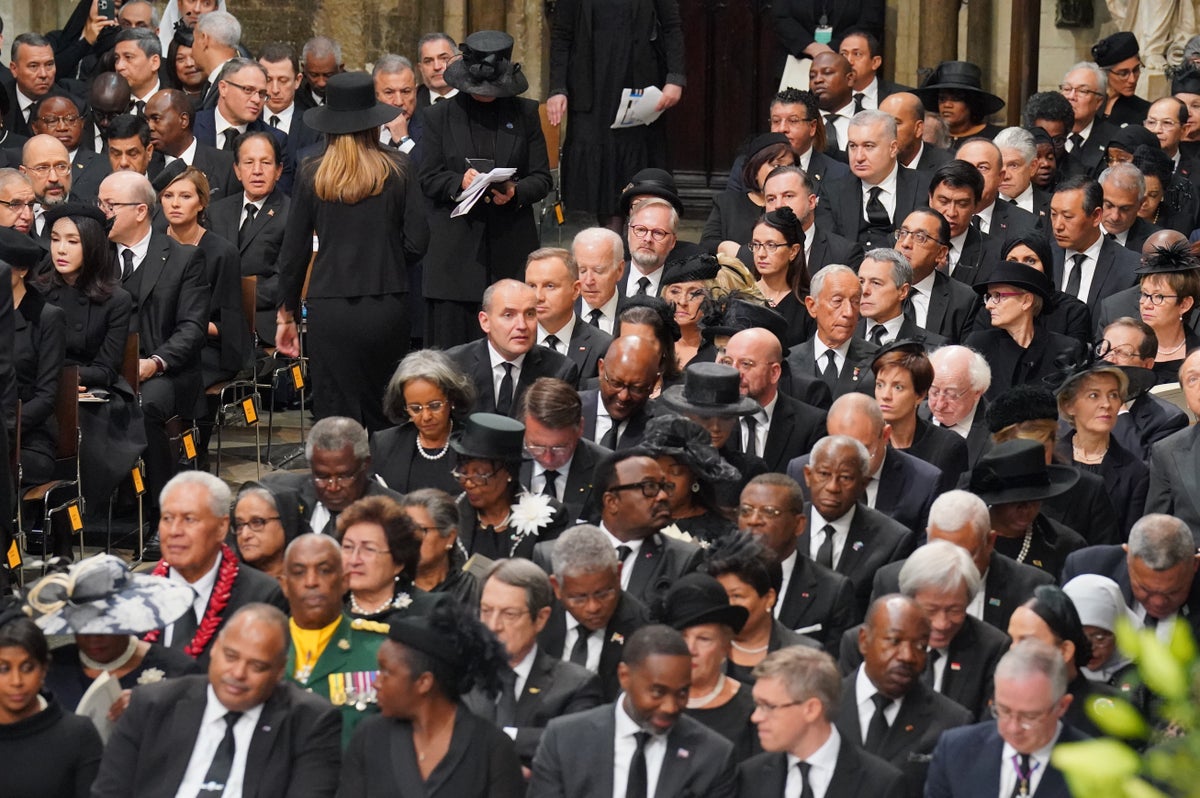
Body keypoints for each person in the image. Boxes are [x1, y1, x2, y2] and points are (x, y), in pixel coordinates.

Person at [275, 71, 428, 430]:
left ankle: (339, 482)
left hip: (330, 306)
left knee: (335, 412)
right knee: (386, 408)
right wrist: (389, 259)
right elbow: (419, 240)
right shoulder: (399, 167)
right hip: (387, 303)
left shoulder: (312, 172)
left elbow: (294, 251)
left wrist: (286, 313)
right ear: (373, 121)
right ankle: (384, 482)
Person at [92, 605, 343, 798]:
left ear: (279, 671)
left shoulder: (309, 722)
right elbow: (110, 792)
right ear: (215, 649)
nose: (238, 673)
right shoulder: (153, 705)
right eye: (231, 656)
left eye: (257, 665)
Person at [419, 31, 551, 348]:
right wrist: (459, 182)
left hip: (509, 249)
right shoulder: (439, 116)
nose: (485, 95)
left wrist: (515, 192)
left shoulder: (526, 114)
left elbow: (542, 178)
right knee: (453, 361)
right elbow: (428, 177)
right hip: (454, 259)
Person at [99, 169, 207, 535]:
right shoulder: (97, 256)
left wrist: (156, 362)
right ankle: (90, 510)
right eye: (100, 203)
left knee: (145, 407)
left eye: (110, 205)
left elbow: (191, 329)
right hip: (105, 369)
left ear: (141, 211)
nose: (102, 213)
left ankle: (162, 513)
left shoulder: (183, 259)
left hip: (165, 371)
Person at [528, 625, 738, 798]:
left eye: (682, 693)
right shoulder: (565, 739)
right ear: (624, 676)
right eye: (657, 692)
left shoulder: (713, 755)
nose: (671, 707)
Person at [339, 600, 523, 797]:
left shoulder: (491, 749)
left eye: (387, 672)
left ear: (424, 682)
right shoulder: (370, 736)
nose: (376, 683)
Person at [546, 0, 685, 226]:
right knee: (602, 184)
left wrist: (675, 78)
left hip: (638, 86)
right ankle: (612, 249)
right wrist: (557, 89)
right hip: (591, 91)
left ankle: (634, 245)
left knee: (636, 175)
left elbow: (671, 26)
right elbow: (562, 35)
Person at [463, 558, 603, 768]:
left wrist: (499, 738)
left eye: (509, 614)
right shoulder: (459, 675)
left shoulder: (575, 685)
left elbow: (575, 747)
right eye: (486, 611)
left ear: (540, 619)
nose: (493, 626)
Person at [141, 472, 288, 665]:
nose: (175, 531)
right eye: (167, 518)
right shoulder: (136, 589)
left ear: (221, 527)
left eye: (189, 519)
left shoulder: (261, 595)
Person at [835, 595, 972, 798]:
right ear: (864, 640)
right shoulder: (819, 707)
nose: (907, 656)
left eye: (920, 646)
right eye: (894, 641)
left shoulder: (952, 723)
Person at [30, 555, 200, 714]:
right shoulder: (49, 669)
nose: (93, 637)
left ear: (126, 620)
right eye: (84, 625)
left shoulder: (177, 671)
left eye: (105, 627)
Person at [924, 639, 1088, 798]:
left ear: (1062, 706)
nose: (1013, 728)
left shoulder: (1097, 768)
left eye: (1029, 716)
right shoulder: (956, 750)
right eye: (1003, 710)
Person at [737, 645, 904, 797]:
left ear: (811, 709)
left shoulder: (881, 784)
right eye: (757, 705)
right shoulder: (750, 776)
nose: (756, 717)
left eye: (769, 706)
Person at [281, 534, 389, 747]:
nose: (311, 582)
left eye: (324, 570)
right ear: (284, 585)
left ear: (344, 581)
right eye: (299, 572)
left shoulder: (379, 651)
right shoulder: (264, 648)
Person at [158, 163, 251, 393]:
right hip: (158, 341)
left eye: (185, 196)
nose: (175, 203)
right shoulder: (153, 246)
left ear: (201, 203)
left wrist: (186, 326)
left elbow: (228, 324)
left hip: (206, 347)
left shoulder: (222, 252)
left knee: (173, 380)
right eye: (168, 196)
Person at [738, 474, 856, 652]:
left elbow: (836, 669)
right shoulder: (714, 578)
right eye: (746, 510)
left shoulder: (833, 591)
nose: (753, 520)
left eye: (769, 511)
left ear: (799, 524)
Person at [535, 523, 651, 700]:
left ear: (618, 575)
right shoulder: (535, 615)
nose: (593, 607)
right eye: (579, 598)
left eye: (604, 593)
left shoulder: (642, 628)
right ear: (557, 587)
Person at [800, 435, 915, 610]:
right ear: (808, 475)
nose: (833, 487)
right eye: (824, 474)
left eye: (845, 478)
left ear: (863, 484)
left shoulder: (893, 541)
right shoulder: (782, 523)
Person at [654, 572, 758, 761]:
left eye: (704, 639)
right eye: (681, 637)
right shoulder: (644, 699)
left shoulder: (753, 708)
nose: (691, 649)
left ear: (725, 646)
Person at [0, 607, 103, 798]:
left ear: (44, 669)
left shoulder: (78, 735)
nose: (16, 681)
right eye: (4, 669)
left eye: (27, 667)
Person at [446, 279, 580, 419]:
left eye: (529, 314)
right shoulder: (454, 365)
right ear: (485, 322)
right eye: (508, 315)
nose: (522, 325)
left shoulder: (559, 371)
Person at [205, 129, 289, 346]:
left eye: (266, 163)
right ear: (237, 170)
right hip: (215, 322)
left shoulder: (293, 213)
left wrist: (236, 299)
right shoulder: (216, 212)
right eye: (249, 162)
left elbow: (286, 279)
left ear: (279, 170)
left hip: (264, 325)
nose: (257, 171)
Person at [452, 412, 569, 561]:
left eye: (480, 475)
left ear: (508, 473)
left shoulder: (548, 515)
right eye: (462, 473)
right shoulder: (449, 514)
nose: (468, 483)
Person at [1008, 585, 1120, 739]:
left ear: (1065, 650)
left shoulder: (1111, 710)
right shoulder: (1004, 702)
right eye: (1012, 640)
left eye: (1027, 642)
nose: (1014, 651)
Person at [704, 533, 820, 682]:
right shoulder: (697, 648)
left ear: (769, 598)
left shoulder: (805, 658)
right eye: (719, 595)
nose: (727, 605)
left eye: (737, 596)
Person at [1062, 513, 1200, 638]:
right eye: (1145, 589)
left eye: (1173, 592)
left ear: (1195, 564)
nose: (1158, 602)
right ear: (1128, 557)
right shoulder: (1086, 569)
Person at [964, 260, 1085, 400]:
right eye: (989, 297)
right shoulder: (979, 344)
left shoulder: (1066, 349)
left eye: (997, 296)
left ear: (1026, 301)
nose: (989, 305)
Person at [1054, 362, 1149, 540]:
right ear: (1069, 406)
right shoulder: (1050, 459)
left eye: (1113, 395)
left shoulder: (1135, 471)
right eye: (1093, 395)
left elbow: (1131, 540)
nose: (1106, 404)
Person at [969, 439, 1086, 579]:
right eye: (1017, 502)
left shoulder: (1065, 545)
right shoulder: (966, 538)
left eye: (1034, 500)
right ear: (996, 501)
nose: (1027, 509)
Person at [721, 326, 827, 473]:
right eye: (727, 362)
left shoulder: (810, 425)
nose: (734, 373)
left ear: (774, 372)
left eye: (746, 364)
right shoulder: (712, 420)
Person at [370, 349, 475, 495]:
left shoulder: (474, 444)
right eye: (416, 408)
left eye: (434, 406)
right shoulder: (385, 444)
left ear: (452, 399)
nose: (426, 416)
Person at [9, 222, 64, 494]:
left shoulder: (46, 317)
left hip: (28, 435)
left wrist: (7, 426)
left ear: (20, 270)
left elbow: (45, 396)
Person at [871, 340, 968, 491]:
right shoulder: (867, 441)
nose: (885, 395)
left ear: (920, 395)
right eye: (880, 385)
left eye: (898, 387)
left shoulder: (947, 447)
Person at [518, 377, 611, 522]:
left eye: (559, 447)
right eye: (537, 446)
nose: (548, 458)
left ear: (580, 428)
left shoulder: (607, 471)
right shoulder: (504, 461)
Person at [640, 414, 739, 545]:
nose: (665, 481)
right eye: (657, 471)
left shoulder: (723, 532)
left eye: (676, 472)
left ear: (694, 476)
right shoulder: (635, 523)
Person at [1101, 317, 1189, 460]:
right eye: (1104, 350)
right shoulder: (1077, 402)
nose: (1109, 359)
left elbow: (1145, 473)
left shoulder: (1168, 420)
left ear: (1147, 364)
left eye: (1122, 353)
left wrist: (1121, 414)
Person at [787, 264, 879, 400]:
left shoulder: (878, 362)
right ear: (812, 306)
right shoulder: (789, 363)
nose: (848, 312)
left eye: (855, 302)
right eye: (837, 301)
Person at [1049, 176, 1140, 312]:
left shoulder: (1130, 267)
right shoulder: (1043, 257)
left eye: (1067, 217)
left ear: (1096, 216)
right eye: (1053, 214)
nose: (1057, 225)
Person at [337, 494, 429, 622]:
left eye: (369, 549)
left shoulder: (427, 613)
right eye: (347, 547)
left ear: (399, 562)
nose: (354, 560)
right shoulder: (325, 609)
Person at [527, 247, 612, 384]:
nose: (538, 297)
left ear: (575, 290)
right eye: (531, 286)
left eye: (549, 286)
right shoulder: (515, 341)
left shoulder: (602, 347)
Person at [702, 133, 797, 254]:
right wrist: (725, 247)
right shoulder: (727, 203)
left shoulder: (797, 205)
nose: (784, 173)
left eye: (790, 167)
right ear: (755, 169)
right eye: (776, 165)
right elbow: (706, 245)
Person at [997, 233, 1093, 342]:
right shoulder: (990, 308)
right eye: (1012, 261)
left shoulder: (1073, 312)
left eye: (1030, 261)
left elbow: (1072, 356)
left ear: (1046, 265)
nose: (1021, 268)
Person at [400, 488, 480, 609]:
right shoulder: (387, 586)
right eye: (404, 529)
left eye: (420, 530)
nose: (410, 538)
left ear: (449, 537)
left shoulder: (474, 592)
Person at [750, 205, 815, 346]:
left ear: (793, 251)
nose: (761, 254)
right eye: (756, 244)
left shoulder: (807, 305)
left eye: (771, 245)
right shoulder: (741, 297)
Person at [585, 335, 662, 450]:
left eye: (636, 388)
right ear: (601, 369)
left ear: (654, 383)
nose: (623, 396)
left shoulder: (662, 426)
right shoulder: (569, 410)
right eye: (616, 383)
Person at [1061, 574, 1139, 688]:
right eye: (1080, 637)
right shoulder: (1050, 677)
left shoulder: (1145, 677)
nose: (1090, 648)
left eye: (1099, 637)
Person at [857, 248, 944, 347]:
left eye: (876, 283)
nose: (864, 291)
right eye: (861, 282)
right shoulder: (842, 338)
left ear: (903, 291)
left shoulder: (933, 346)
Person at [924, 345, 992, 467]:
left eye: (951, 395)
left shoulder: (998, 432)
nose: (939, 405)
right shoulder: (911, 414)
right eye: (934, 391)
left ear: (977, 391)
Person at [233, 480, 312, 582]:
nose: (245, 535)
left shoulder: (314, 580)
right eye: (239, 525)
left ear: (286, 522)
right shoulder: (227, 583)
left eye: (257, 522)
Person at [660, 254, 721, 369]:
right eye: (674, 292)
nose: (682, 302)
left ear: (711, 299)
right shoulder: (653, 345)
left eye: (694, 293)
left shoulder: (719, 353)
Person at [574, 227, 627, 335]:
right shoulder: (562, 313)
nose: (588, 281)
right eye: (582, 271)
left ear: (620, 270)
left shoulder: (637, 315)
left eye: (598, 271)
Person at [1093, 32, 1150, 128]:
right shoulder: (1089, 104)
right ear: (1105, 73)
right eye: (1123, 74)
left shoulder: (1146, 111)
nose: (1132, 80)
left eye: (1136, 70)